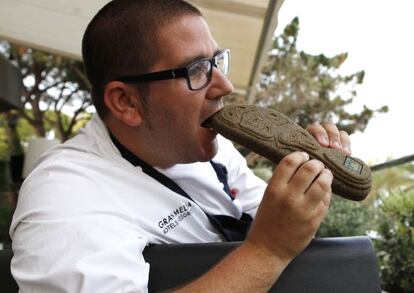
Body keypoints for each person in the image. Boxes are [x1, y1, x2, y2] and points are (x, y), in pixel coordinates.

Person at [9, 0, 352, 292]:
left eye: (217, 62)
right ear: (126, 102)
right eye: (197, 70)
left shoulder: (211, 150)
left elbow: (284, 226)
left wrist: (307, 185)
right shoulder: (65, 193)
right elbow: (275, 243)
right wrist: (266, 253)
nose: (225, 86)